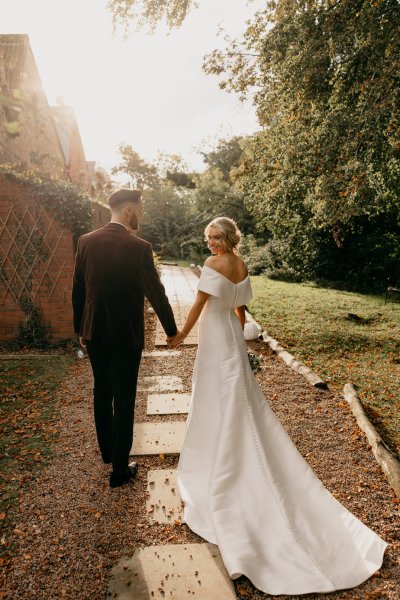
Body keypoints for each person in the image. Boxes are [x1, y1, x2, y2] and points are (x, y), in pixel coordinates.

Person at [168, 216, 387, 595]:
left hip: (217, 339)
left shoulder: (213, 266)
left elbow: (200, 306)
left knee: (217, 396)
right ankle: (228, 445)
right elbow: (240, 308)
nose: (211, 243)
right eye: (208, 238)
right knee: (237, 398)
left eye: (216, 237)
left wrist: (179, 336)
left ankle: (220, 463)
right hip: (232, 339)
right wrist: (242, 335)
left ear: (228, 238)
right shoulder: (241, 264)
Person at [72, 188, 178, 488]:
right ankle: (119, 469)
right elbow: (156, 294)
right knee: (125, 397)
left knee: (102, 392)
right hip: (126, 335)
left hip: (94, 332)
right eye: (140, 209)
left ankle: (108, 453)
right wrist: (171, 331)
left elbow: (78, 289)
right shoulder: (139, 247)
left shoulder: (85, 241)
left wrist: (80, 328)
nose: (141, 215)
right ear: (129, 209)